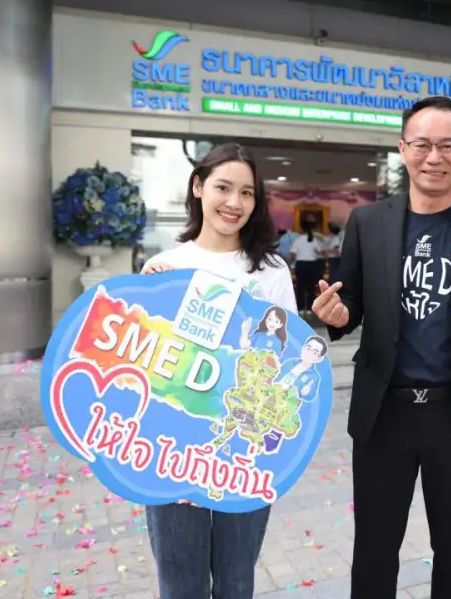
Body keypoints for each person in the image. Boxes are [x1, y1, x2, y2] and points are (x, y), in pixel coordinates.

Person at [311, 96, 451, 599]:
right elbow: (350, 304)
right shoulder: (368, 222)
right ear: (403, 148)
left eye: (448, 145)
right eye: (423, 144)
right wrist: (337, 317)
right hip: (384, 414)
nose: (435, 156)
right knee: (374, 550)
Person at [138, 142, 296, 599]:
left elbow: (285, 361)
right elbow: (144, 371)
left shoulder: (271, 272)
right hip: (171, 453)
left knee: (235, 582)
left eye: (247, 193)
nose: (234, 202)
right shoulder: (164, 267)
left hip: (244, 449)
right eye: (223, 188)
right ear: (198, 187)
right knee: (180, 586)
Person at [289, 217, 323, 312]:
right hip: (312, 264)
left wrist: (290, 262)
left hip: (301, 265)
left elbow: (293, 255)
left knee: (300, 287)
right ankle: (309, 308)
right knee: (311, 287)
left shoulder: (298, 240)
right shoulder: (313, 239)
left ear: (301, 229)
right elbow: (319, 252)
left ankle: (300, 308)